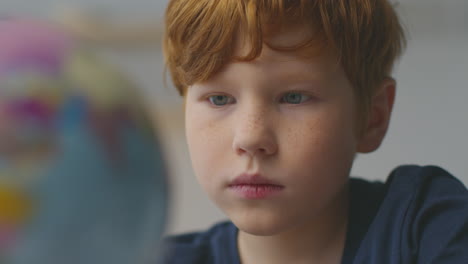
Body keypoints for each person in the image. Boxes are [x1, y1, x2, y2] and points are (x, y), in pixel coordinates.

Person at [160, 0, 468, 263]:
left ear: (373, 117)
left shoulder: (426, 225)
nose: (251, 138)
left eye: (293, 97)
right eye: (219, 99)